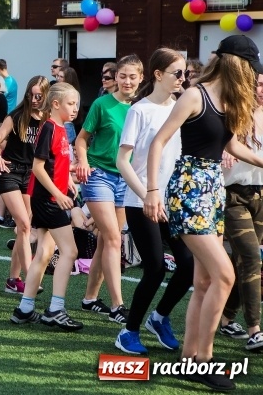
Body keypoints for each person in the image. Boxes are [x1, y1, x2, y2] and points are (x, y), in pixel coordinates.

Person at [144, 35, 263, 391]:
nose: (253, 76)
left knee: (204, 282)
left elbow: (229, 145)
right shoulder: (195, 95)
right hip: (189, 190)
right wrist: (152, 191)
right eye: (250, 68)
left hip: (212, 192)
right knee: (225, 276)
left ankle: (187, 359)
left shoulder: (227, 100)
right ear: (235, 64)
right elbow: (159, 142)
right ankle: (204, 361)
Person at [114, 48, 194, 355]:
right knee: (156, 269)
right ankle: (128, 331)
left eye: (184, 73)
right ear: (158, 75)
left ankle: (159, 318)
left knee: (188, 265)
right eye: (177, 73)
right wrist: (148, 193)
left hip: (173, 201)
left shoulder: (182, 107)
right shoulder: (140, 110)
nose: (182, 79)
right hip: (140, 200)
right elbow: (123, 160)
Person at [10, 82, 84, 331]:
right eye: (70, 103)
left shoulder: (63, 129)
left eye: (76, 103)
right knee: (70, 252)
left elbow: (56, 166)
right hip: (47, 200)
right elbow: (38, 168)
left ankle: (25, 309)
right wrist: (58, 194)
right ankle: (55, 308)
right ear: (55, 104)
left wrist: (69, 183)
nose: (75, 108)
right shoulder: (50, 128)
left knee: (43, 253)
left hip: (51, 197)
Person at [76, 54, 143, 325]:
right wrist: (81, 161)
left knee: (106, 241)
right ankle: (118, 305)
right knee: (114, 239)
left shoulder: (142, 108)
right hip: (98, 175)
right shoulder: (102, 105)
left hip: (125, 179)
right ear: (116, 77)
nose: (127, 81)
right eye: (122, 76)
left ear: (141, 78)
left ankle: (90, 299)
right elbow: (82, 140)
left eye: (132, 76)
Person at [0, 76, 50, 294]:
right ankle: (30, 279)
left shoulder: (48, 120)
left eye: (39, 95)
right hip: (9, 171)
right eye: (31, 94)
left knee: (24, 230)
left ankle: (13, 280)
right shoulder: (16, 116)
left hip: (32, 175)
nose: (34, 99)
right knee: (24, 225)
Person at [220, 70, 263, 352]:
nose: (261, 89)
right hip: (234, 194)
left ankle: (225, 317)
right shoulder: (233, 111)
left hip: (261, 195)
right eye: (258, 84)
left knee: (243, 262)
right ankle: (255, 331)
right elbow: (222, 142)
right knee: (251, 258)